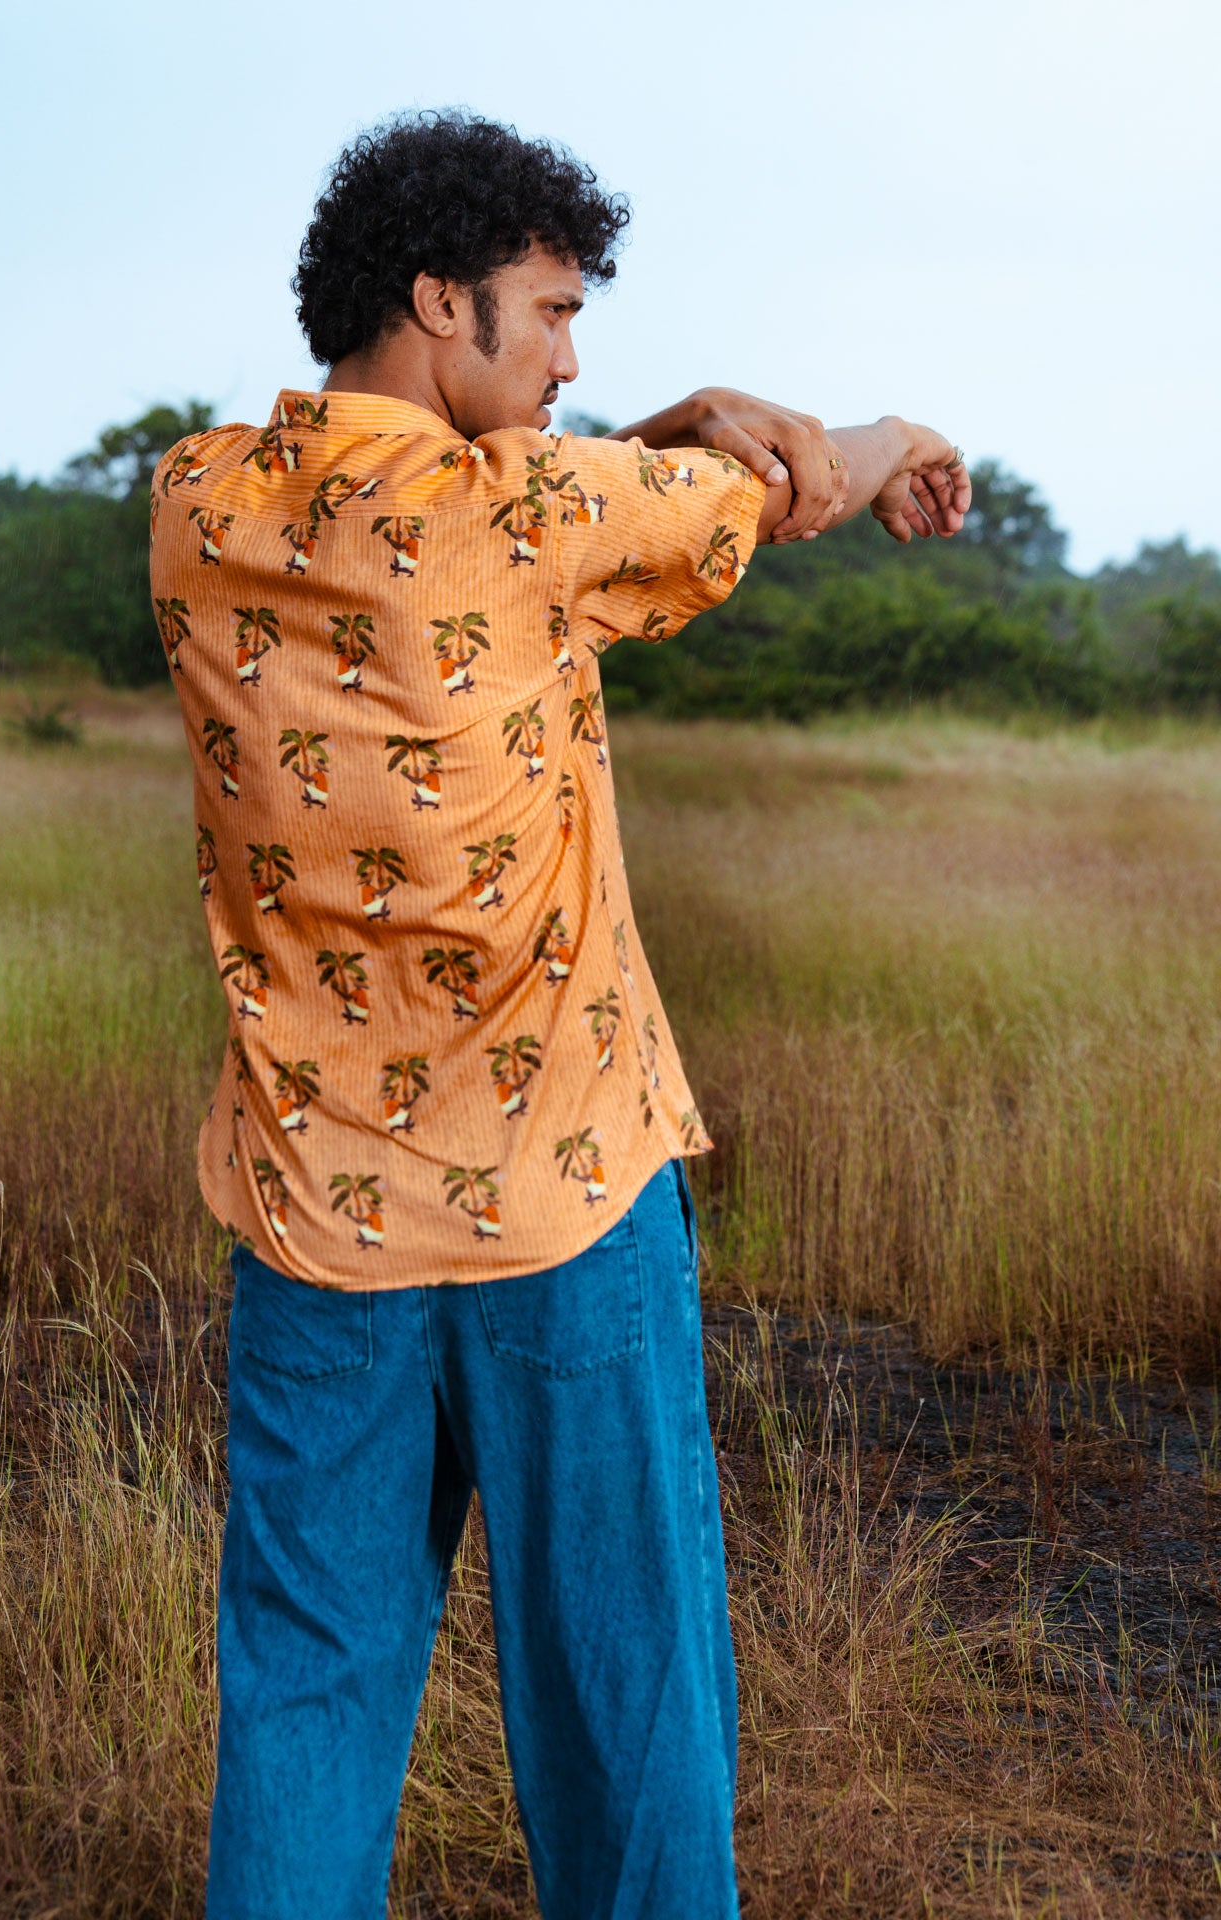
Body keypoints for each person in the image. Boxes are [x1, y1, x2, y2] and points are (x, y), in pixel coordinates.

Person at [149, 109, 970, 1920]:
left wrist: (655, 424)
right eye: (553, 311)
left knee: (306, 1697)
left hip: (314, 1226)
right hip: (559, 1215)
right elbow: (799, 476)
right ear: (445, 303)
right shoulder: (543, 516)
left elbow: (535, 493)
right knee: (627, 1711)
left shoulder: (197, 506)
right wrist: (897, 436)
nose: (578, 355)